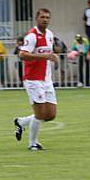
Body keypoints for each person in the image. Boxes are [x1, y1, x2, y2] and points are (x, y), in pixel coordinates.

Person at [13, 8, 59, 151]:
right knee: (40, 114)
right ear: (36, 18)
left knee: (50, 115)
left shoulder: (50, 35)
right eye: (42, 17)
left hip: (46, 79)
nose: (45, 19)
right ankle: (33, 143)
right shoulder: (32, 36)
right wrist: (44, 57)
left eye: (47, 17)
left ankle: (21, 122)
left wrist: (53, 58)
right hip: (33, 79)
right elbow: (22, 54)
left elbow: (47, 54)